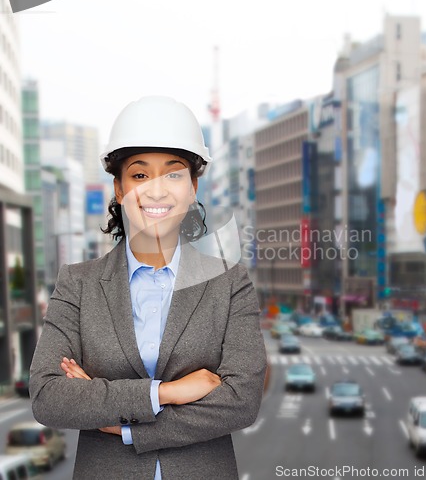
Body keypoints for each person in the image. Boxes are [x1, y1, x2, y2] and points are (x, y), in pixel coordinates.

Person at [29, 96, 267, 480]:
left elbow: (241, 401)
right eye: (140, 175)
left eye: (173, 174)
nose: (156, 192)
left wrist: (123, 426)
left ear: (193, 187)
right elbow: (48, 397)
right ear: (119, 189)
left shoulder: (229, 283)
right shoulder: (78, 284)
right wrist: (166, 393)